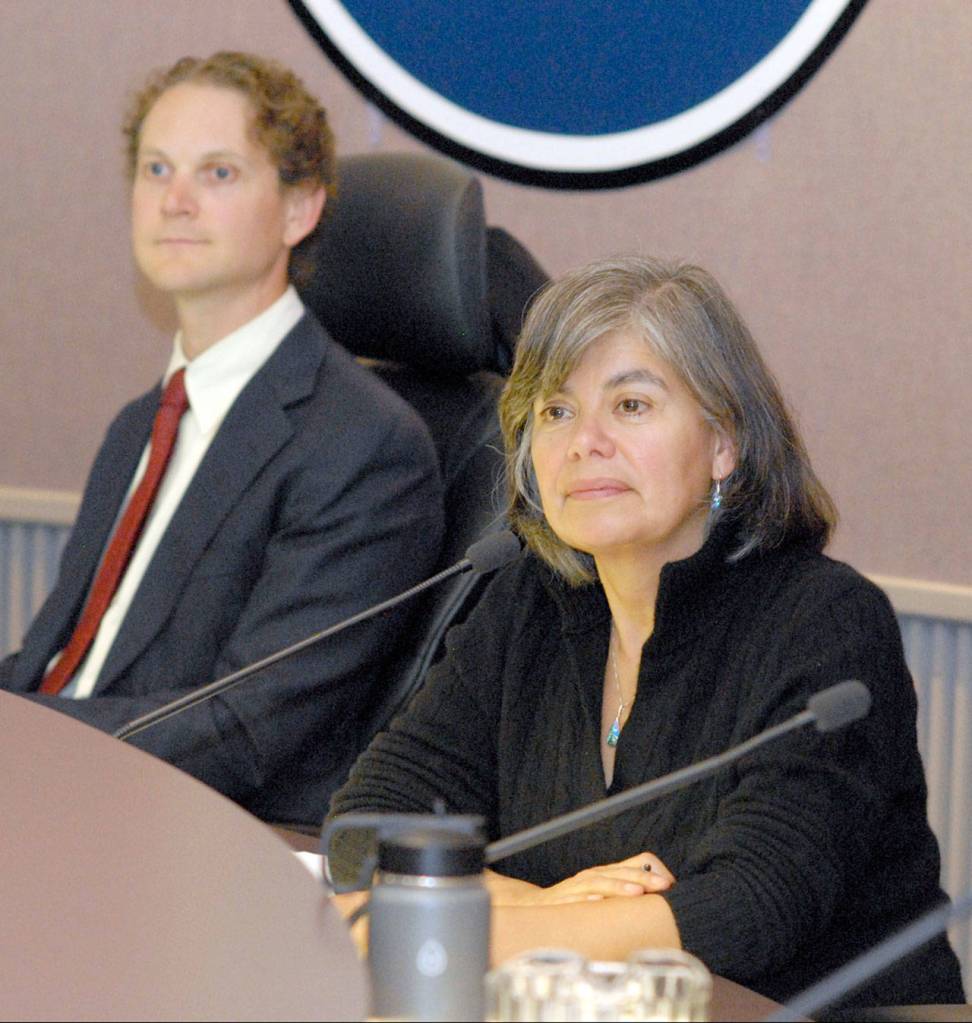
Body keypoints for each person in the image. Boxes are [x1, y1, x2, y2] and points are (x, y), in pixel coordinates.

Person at [327, 256, 964, 1009]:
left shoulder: (824, 623)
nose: (584, 441)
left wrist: (451, 919)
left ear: (724, 442)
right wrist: (551, 904)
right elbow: (365, 829)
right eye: (556, 411)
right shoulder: (527, 601)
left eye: (630, 405)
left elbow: (750, 910)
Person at [0, 52, 444, 828]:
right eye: (156, 168)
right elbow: (56, 667)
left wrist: (29, 743)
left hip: (180, 844)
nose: (174, 201)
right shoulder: (141, 421)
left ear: (300, 206)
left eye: (218, 174)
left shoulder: (366, 446)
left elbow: (242, 730)